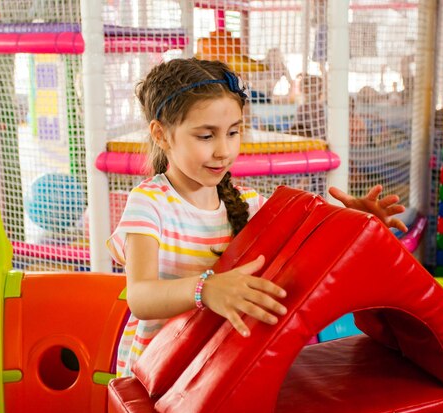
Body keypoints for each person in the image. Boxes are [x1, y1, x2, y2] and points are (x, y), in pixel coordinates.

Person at [107, 58, 407, 377]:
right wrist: (206, 290)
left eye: (233, 132)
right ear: (162, 135)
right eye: (206, 136)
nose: (223, 150)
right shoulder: (150, 203)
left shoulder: (249, 203)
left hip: (221, 367)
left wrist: (356, 222)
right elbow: (141, 296)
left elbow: (310, 241)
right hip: (159, 372)